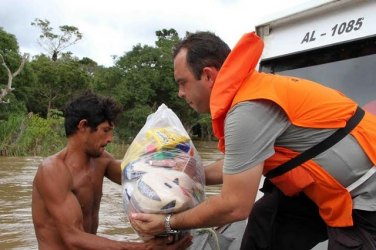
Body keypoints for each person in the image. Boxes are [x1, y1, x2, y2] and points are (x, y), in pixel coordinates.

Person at [130, 31, 376, 249]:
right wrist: (182, 175)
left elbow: (235, 205)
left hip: (365, 196)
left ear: (207, 75)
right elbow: (236, 167)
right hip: (323, 190)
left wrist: (167, 223)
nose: (180, 93)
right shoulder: (251, 91)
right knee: (265, 218)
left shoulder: (247, 109)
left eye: (182, 83)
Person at [32, 91, 192, 250]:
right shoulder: (52, 171)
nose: (110, 138)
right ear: (83, 126)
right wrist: (144, 248)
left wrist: (173, 157)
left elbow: (142, 177)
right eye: (105, 130)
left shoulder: (101, 161)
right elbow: (73, 238)